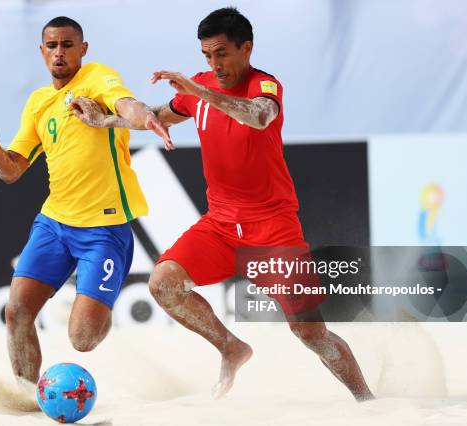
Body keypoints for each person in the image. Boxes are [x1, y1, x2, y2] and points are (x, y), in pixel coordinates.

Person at [73, 7, 374, 401]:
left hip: (272, 229)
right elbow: (158, 115)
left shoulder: (263, 86)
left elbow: (260, 117)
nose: (214, 64)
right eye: (206, 56)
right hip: (220, 225)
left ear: (246, 48)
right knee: (164, 284)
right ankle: (231, 347)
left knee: (310, 332)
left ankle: (367, 401)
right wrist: (106, 122)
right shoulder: (198, 88)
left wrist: (199, 91)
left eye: (221, 54)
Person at [0, 16, 172, 384]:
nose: (59, 52)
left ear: (82, 49)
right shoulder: (38, 101)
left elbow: (126, 103)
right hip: (55, 223)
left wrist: (146, 118)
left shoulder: (96, 77)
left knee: (82, 339)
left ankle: (97, 302)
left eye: (67, 44)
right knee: (16, 312)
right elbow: (11, 171)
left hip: (104, 228)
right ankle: (27, 396)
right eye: (52, 45)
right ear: (42, 51)